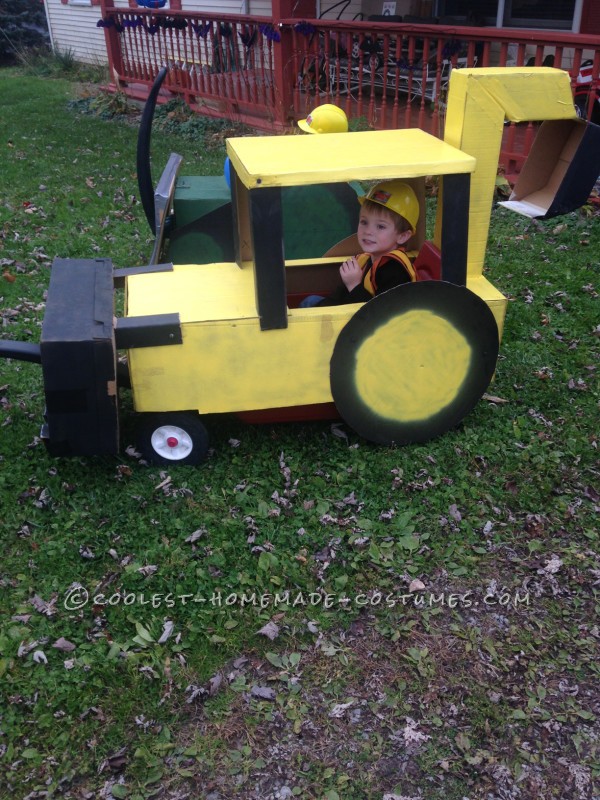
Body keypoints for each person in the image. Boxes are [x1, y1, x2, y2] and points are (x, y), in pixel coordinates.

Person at [301, 180, 419, 307]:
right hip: (349, 314)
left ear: (402, 236)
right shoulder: (367, 259)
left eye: (380, 226)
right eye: (364, 222)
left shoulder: (396, 273)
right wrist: (320, 310)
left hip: (366, 323)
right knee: (310, 301)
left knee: (309, 303)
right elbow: (340, 294)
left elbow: (379, 316)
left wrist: (354, 285)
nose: (368, 231)